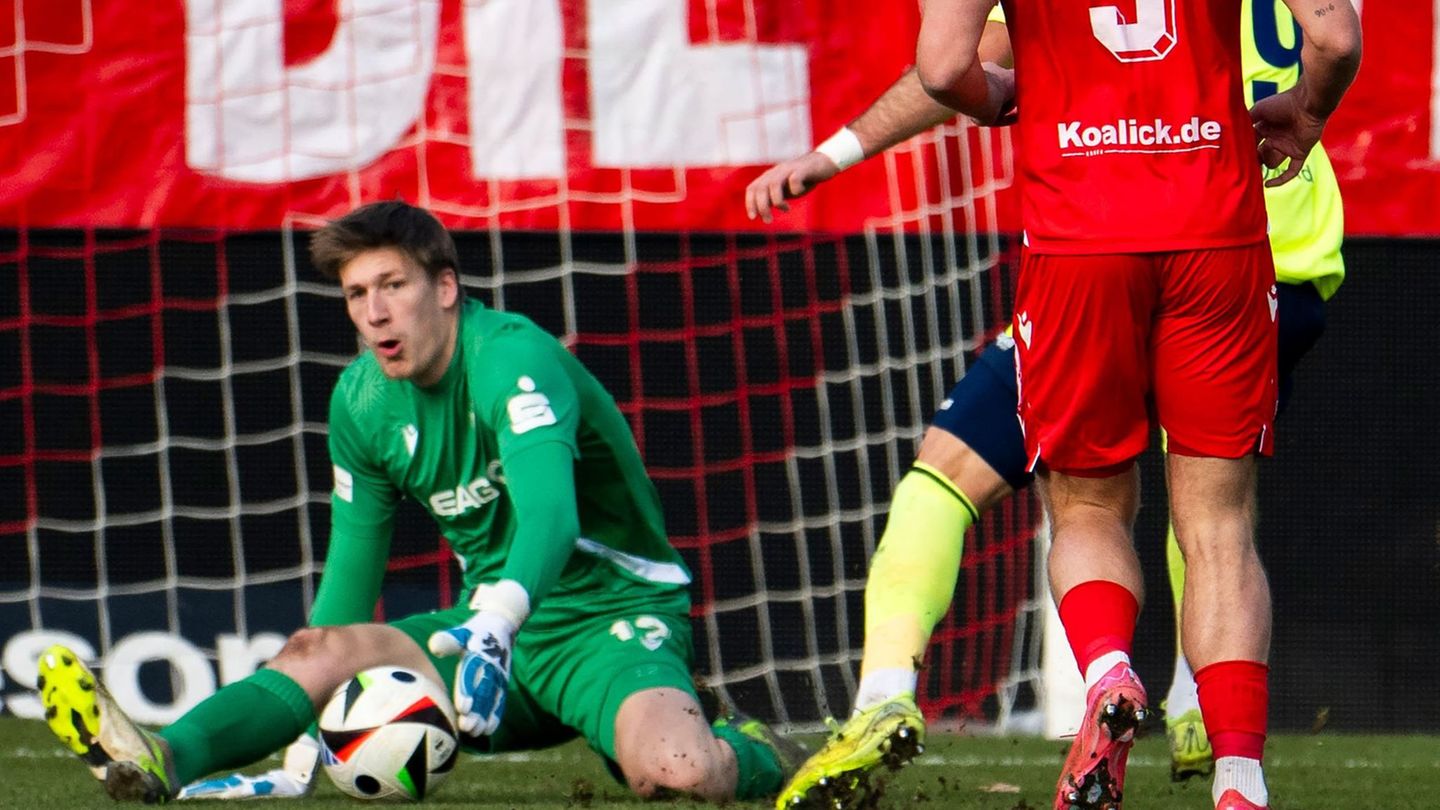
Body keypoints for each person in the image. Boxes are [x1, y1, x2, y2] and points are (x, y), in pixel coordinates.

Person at [750, 2, 1350, 805]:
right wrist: (1309, 113)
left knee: (1058, 500)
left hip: (1084, 238)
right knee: (1216, 522)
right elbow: (1337, 35)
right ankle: (1231, 764)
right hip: (1239, 238)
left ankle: (1083, 675)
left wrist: (947, 113)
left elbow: (943, 68)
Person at [37, 200, 797, 804]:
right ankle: (164, 759)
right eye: (356, 294)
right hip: (481, 647)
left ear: (443, 287)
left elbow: (553, 520)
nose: (373, 313)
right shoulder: (362, 401)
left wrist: (499, 623)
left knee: (679, 774)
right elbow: (350, 580)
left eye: (391, 286)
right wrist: (311, 738)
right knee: (318, 649)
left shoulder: (511, 358)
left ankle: (757, 751)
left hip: (604, 621)